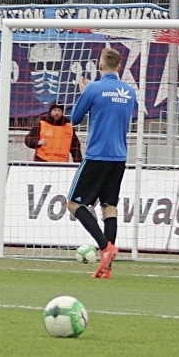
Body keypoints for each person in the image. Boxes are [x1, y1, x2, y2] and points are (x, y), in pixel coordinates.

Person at [65, 47, 137, 279]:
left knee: (74, 205)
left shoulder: (94, 88)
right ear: (119, 66)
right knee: (109, 207)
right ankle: (107, 267)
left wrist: (83, 92)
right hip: (119, 156)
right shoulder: (129, 91)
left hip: (97, 155)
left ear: (100, 65)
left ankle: (105, 246)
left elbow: (74, 118)